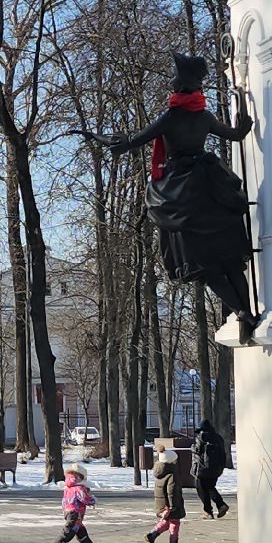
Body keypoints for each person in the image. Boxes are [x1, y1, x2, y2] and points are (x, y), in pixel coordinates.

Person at [84, 52, 258, 344]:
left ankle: (242, 312)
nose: (171, 81)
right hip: (212, 187)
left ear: (182, 83)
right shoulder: (204, 116)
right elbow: (236, 134)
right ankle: (247, 313)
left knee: (205, 266)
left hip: (184, 195)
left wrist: (99, 137)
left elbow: (133, 141)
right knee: (228, 259)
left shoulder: (172, 116)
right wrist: (244, 109)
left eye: (175, 77)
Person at [52, 463, 102, 543]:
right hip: (75, 513)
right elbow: (85, 499)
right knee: (68, 532)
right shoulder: (79, 488)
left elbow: (65, 500)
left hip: (68, 512)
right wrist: (93, 500)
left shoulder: (68, 487)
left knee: (81, 532)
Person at [145, 447, 186, 543]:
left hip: (162, 504)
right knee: (175, 522)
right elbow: (171, 492)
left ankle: (152, 535)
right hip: (170, 504)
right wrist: (172, 506)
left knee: (167, 521)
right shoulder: (172, 475)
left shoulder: (160, 473)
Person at [192, 421, 230, 519]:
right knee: (210, 487)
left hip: (202, 468)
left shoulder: (201, 437)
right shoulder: (218, 438)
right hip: (216, 468)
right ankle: (221, 505)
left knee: (202, 489)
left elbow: (197, 450)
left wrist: (192, 447)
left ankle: (208, 511)